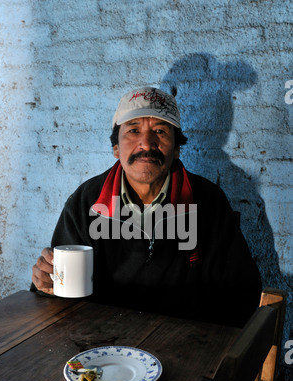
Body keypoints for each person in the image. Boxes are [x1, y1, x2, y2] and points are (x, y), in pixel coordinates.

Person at [31, 86, 262, 327]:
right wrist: (46, 285)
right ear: (116, 148)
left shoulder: (208, 203)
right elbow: (56, 294)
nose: (146, 143)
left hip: (186, 347)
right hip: (104, 345)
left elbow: (241, 293)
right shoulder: (87, 202)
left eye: (160, 131)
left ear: (176, 149)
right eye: (133, 130)